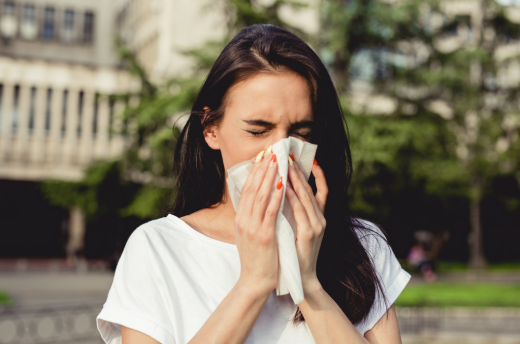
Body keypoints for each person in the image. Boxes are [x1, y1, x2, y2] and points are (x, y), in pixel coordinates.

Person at [96, 24, 411, 344]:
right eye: (258, 131)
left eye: (301, 133)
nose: (281, 152)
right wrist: (253, 284)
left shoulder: (362, 246)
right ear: (210, 130)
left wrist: (307, 282)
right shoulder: (157, 249)